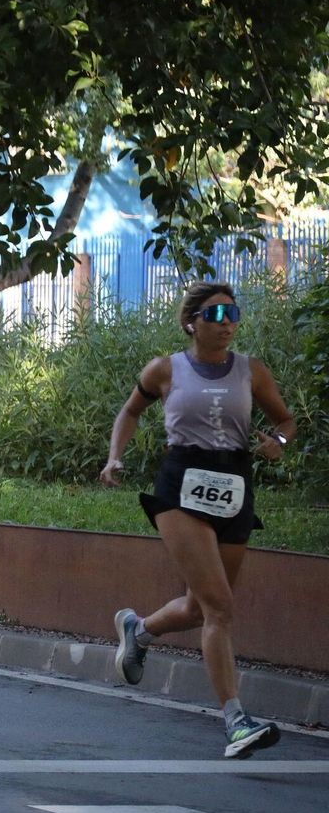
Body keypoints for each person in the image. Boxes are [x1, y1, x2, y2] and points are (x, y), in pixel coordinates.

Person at [100, 281, 296, 760]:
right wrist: (114, 458)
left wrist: (279, 442)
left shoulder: (252, 372)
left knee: (197, 609)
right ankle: (235, 721)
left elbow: (287, 422)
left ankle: (139, 631)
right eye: (216, 313)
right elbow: (130, 411)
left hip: (234, 486)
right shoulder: (166, 369)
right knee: (221, 608)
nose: (227, 320)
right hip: (181, 486)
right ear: (192, 322)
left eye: (232, 311)